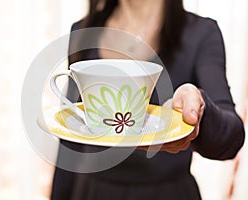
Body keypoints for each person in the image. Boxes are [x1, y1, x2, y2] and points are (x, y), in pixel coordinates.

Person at [51, 0, 245, 199]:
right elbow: (69, 146)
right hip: (90, 193)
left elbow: (231, 140)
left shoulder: (201, 33)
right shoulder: (83, 31)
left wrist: (199, 108)